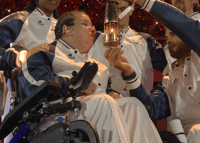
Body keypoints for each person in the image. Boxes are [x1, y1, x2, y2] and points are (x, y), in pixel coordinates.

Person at [18, 10, 162, 143]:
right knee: (103, 101)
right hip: (56, 116)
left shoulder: (99, 65)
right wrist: (72, 86)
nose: (93, 29)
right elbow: (34, 86)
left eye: (92, 25)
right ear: (67, 29)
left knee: (132, 105)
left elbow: (106, 92)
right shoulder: (46, 52)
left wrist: (113, 93)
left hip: (94, 112)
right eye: (85, 24)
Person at [103, 0, 200, 142]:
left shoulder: (191, 29)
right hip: (180, 132)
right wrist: (129, 73)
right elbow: (152, 107)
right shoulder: (170, 75)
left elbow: (189, 30)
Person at [0, 0, 62, 143]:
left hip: (59, 91)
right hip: (24, 95)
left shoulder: (64, 27)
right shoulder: (20, 19)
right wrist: (20, 55)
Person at [88, 0, 167, 96]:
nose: (117, 13)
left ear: (131, 10)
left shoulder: (146, 40)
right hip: (103, 107)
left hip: (138, 106)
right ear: (107, 10)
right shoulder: (92, 38)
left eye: (123, 9)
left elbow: (172, 67)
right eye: (113, 8)